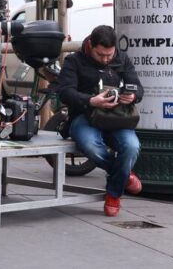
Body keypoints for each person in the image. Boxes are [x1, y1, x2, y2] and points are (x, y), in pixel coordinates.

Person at [56, 25, 144, 217]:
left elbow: (138, 87)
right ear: (90, 45)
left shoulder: (121, 58)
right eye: (100, 55)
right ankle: (123, 176)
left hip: (117, 118)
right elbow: (64, 92)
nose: (105, 59)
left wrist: (133, 96)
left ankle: (113, 191)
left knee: (131, 146)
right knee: (91, 146)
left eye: (109, 55)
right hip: (84, 116)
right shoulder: (74, 61)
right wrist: (90, 100)